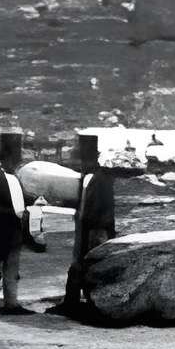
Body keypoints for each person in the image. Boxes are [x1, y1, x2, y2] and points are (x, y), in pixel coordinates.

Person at [0, 130, 45, 315]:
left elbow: (21, 197)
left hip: (12, 232)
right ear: (6, 158)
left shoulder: (13, 177)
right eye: (15, 159)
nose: (17, 163)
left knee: (12, 269)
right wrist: (15, 213)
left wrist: (35, 200)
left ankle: (11, 302)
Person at [59, 131, 119, 317]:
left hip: (95, 228)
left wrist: (103, 230)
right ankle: (73, 301)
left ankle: (89, 302)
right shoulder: (88, 178)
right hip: (86, 227)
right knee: (79, 264)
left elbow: (104, 207)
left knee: (91, 265)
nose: (81, 163)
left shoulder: (101, 179)